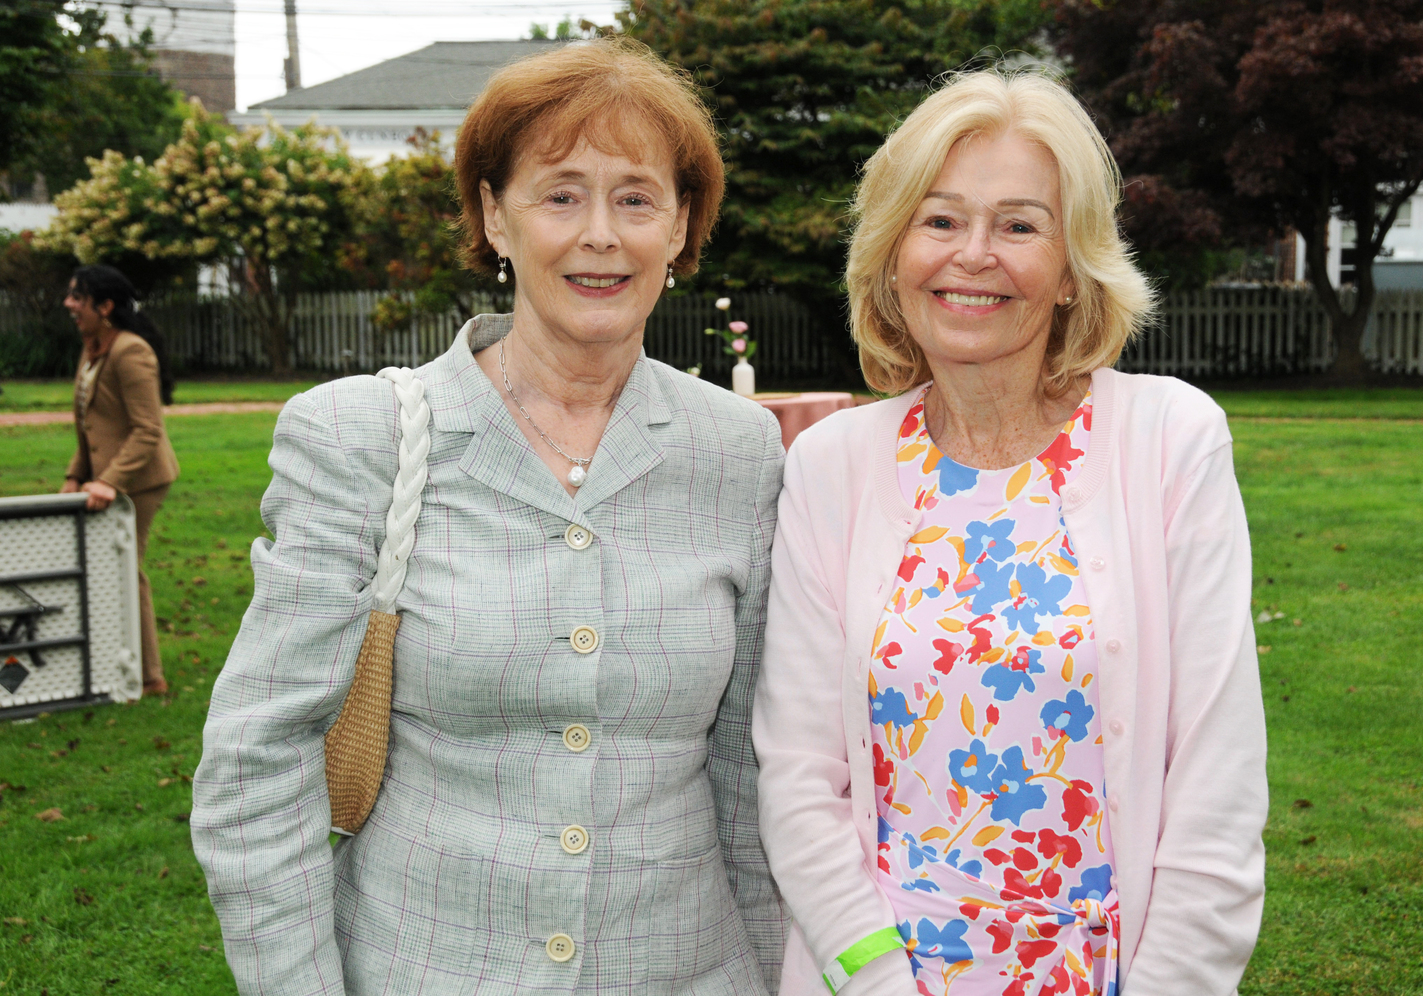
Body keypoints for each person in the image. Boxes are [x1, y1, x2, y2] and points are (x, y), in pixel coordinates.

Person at [192, 39, 788, 995]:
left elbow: (748, 771)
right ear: (492, 216)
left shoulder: (739, 451)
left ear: (681, 227)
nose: (601, 233)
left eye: (636, 197)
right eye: (560, 194)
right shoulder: (361, 436)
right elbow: (259, 763)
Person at [753, 70, 1267, 996]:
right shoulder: (831, 468)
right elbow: (798, 781)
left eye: (1020, 225)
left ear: (1073, 271)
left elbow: (1217, 784)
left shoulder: (1169, 441)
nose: (973, 254)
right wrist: (873, 980)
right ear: (892, 252)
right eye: (940, 220)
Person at [61, 264, 179, 698]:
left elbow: (148, 430)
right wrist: (77, 475)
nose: (69, 304)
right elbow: (92, 424)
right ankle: (103, 661)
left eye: (78, 296)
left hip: (141, 479)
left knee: (127, 569)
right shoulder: (93, 346)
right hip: (104, 479)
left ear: (105, 305)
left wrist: (110, 481)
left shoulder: (130, 350)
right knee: (105, 569)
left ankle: (150, 678)